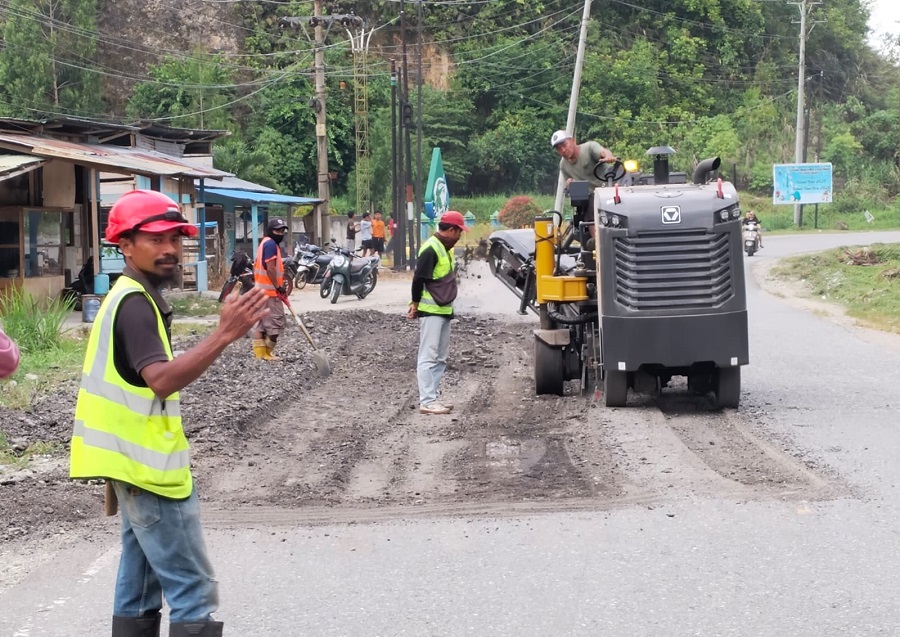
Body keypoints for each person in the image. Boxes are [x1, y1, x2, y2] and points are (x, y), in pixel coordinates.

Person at [68, 189, 269, 637]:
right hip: (149, 470)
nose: (171, 250)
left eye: (176, 239)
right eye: (157, 240)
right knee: (192, 591)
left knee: (139, 586)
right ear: (124, 245)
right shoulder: (135, 306)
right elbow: (160, 379)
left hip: (130, 465)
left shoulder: (128, 295)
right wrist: (223, 335)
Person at [407, 210, 469, 415]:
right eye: (459, 232)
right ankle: (427, 401)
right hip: (431, 310)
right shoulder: (431, 249)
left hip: (443, 309)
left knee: (440, 357)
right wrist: (415, 304)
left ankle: (433, 396)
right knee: (428, 356)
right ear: (451, 230)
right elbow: (418, 280)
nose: (460, 236)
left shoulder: (444, 248)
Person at [252, 218, 289, 360]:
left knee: (261, 325)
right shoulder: (271, 244)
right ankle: (266, 353)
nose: (280, 233)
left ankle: (260, 356)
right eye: (277, 230)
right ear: (270, 231)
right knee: (275, 325)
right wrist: (278, 287)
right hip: (269, 293)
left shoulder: (265, 243)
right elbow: (271, 268)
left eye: (282, 231)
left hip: (261, 291)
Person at [551, 129, 617, 191]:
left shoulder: (589, 148)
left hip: (611, 190)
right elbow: (572, 188)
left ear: (573, 141)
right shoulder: (563, 165)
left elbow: (602, 151)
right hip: (590, 199)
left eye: (565, 145)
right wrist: (570, 184)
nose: (563, 150)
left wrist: (608, 156)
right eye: (559, 148)